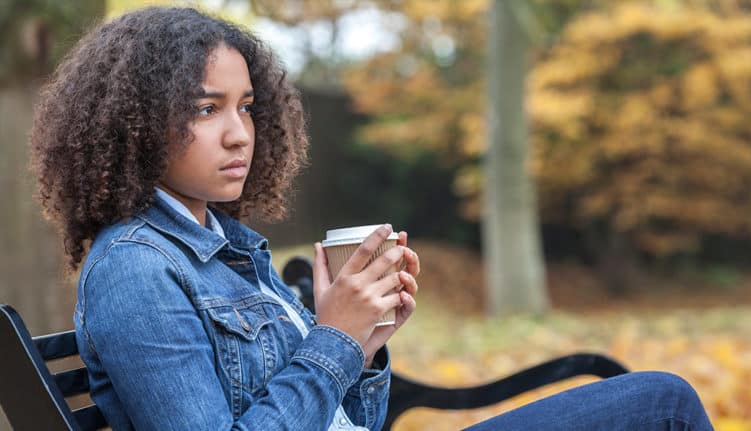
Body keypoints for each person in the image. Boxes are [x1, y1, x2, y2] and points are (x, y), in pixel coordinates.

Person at [29, 6, 714, 431]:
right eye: (207, 109)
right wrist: (334, 338)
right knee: (662, 408)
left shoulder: (230, 249)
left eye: (247, 107)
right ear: (137, 124)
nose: (239, 134)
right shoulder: (135, 269)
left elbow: (348, 420)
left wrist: (365, 344)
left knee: (661, 401)